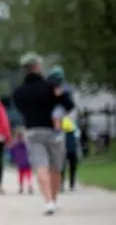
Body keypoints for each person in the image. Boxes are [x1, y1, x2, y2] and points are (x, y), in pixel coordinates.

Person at [11, 53, 75, 215]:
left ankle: (47, 202)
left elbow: (20, 109)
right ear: (38, 67)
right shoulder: (51, 87)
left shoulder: (19, 92)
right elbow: (69, 105)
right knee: (55, 166)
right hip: (52, 131)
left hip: (32, 130)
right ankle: (53, 199)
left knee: (41, 165)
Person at [60, 116, 82, 192]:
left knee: (63, 168)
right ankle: (71, 185)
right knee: (72, 168)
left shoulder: (62, 131)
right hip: (72, 150)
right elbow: (78, 143)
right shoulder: (75, 131)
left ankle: (62, 185)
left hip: (64, 151)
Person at [9, 127, 33, 194]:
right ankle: (29, 184)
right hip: (27, 161)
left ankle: (21, 187)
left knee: (21, 175)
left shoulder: (14, 144)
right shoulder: (26, 143)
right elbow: (30, 150)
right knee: (28, 174)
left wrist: (13, 160)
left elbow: (11, 151)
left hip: (20, 162)